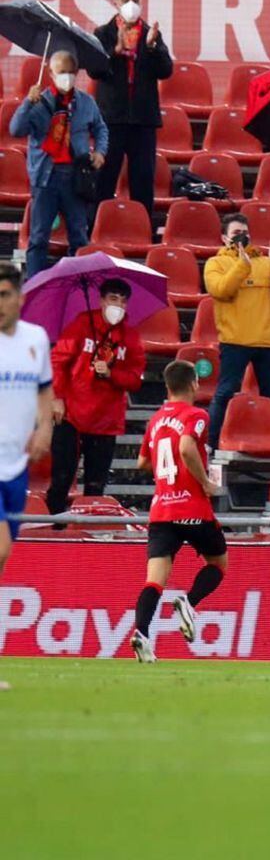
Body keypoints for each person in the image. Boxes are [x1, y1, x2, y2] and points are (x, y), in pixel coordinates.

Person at [130, 359, 226, 664]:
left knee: (154, 580)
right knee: (218, 563)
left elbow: (142, 462)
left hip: (162, 510)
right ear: (194, 384)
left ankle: (141, 634)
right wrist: (205, 482)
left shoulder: (156, 420)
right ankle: (189, 602)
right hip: (192, 507)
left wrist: (166, 468)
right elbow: (185, 447)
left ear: (168, 387)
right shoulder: (197, 415)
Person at [47, 278, 146, 524]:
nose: (118, 305)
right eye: (113, 299)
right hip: (71, 415)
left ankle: (88, 533)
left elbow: (135, 380)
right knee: (61, 479)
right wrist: (57, 397)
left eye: (123, 301)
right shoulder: (82, 324)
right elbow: (58, 361)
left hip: (106, 421)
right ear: (102, 300)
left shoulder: (131, 337)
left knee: (95, 486)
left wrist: (112, 373)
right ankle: (51, 530)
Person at [0, 262, 53, 688]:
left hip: (16, 467)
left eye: (4, 295)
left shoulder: (36, 339)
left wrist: (45, 427)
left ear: (20, 298)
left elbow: (44, 390)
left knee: (3, 556)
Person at [204, 214, 270, 450]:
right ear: (224, 238)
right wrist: (242, 264)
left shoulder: (264, 262)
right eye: (236, 233)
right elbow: (221, 290)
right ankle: (209, 444)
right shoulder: (215, 263)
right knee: (225, 393)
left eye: (245, 232)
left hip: (266, 341)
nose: (242, 237)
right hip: (235, 339)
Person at [10, 50, 108, 278]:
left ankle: (77, 282)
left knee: (78, 235)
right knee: (38, 237)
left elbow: (101, 128)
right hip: (46, 177)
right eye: (62, 72)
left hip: (76, 177)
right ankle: (36, 285)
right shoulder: (38, 102)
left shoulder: (86, 102)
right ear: (51, 73)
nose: (67, 77)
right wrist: (27, 103)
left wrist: (100, 151)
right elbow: (16, 129)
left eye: (71, 72)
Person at [89, 0, 174, 220]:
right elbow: (94, 70)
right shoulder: (102, 33)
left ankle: (142, 230)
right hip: (111, 120)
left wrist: (152, 48)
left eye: (135, 0)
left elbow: (166, 70)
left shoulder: (150, 34)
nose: (131, 5)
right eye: (125, 0)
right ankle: (95, 229)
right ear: (116, 3)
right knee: (104, 179)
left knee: (143, 181)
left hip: (143, 121)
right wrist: (114, 52)